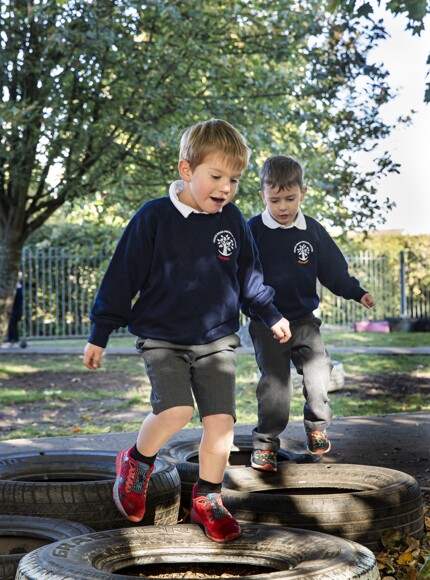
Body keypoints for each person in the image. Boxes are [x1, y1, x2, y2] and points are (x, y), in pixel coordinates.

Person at [83, 120, 291, 543]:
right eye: (216, 176)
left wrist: (271, 314)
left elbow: (250, 278)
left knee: (222, 425)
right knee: (176, 412)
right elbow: (122, 276)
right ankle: (136, 462)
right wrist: (100, 331)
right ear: (186, 170)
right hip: (163, 337)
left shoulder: (232, 220)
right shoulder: (154, 217)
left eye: (234, 180)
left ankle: (207, 499)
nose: (226, 188)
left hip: (217, 340)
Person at [247, 155, 375, 472]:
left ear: (302, 193)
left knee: (319, 372)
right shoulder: (253, 230)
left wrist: (356, 291)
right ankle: (265, 445)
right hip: (267, 322)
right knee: (276, 388)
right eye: (274, 200)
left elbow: (333, 272)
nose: (282, 207)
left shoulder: (312, 231)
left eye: (290, 198)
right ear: (262, 196)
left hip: (304, 321)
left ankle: (317, 428)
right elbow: (242, 278)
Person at [1, 280, 23, 348]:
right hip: (14, 310)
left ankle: (14, 339)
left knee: (12, 324)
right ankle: (11, 339)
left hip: (16, 310)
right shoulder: (17, 289)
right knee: (11, 324)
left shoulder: (18, 290)